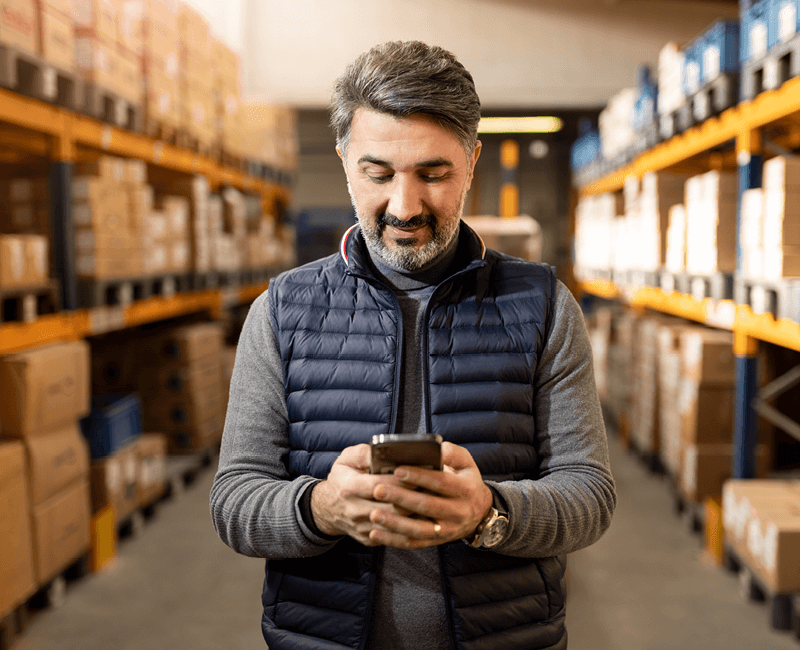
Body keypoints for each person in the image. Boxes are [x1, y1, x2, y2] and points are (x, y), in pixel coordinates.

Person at [210, 40, 616, 650]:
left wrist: (489, 513)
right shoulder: (281, 312)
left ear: (473, 162)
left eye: (434, 174)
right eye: (378, 174)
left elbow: (589, 492)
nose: (405, 206)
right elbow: (235, 499)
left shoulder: (543, 308)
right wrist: (322, 508)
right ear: (345, 160)